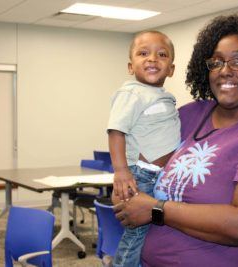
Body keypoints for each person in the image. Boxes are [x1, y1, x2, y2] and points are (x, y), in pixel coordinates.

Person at [113, 14, 238, 267]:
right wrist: (128, 191)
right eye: (216, 62)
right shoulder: (188, 115)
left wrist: (156, 209)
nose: (225, 71)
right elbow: (143, 167)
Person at [106, 31, 180, 267]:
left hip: (160, 176)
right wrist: (121, 171)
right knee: (137, 232)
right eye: (143, 53)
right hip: (141, 174)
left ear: (171, 69)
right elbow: (116, 131)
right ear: (131, 66)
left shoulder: (163, 96)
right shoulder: (132, 93)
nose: (152, 59)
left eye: (161, 55)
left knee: (154, 232)